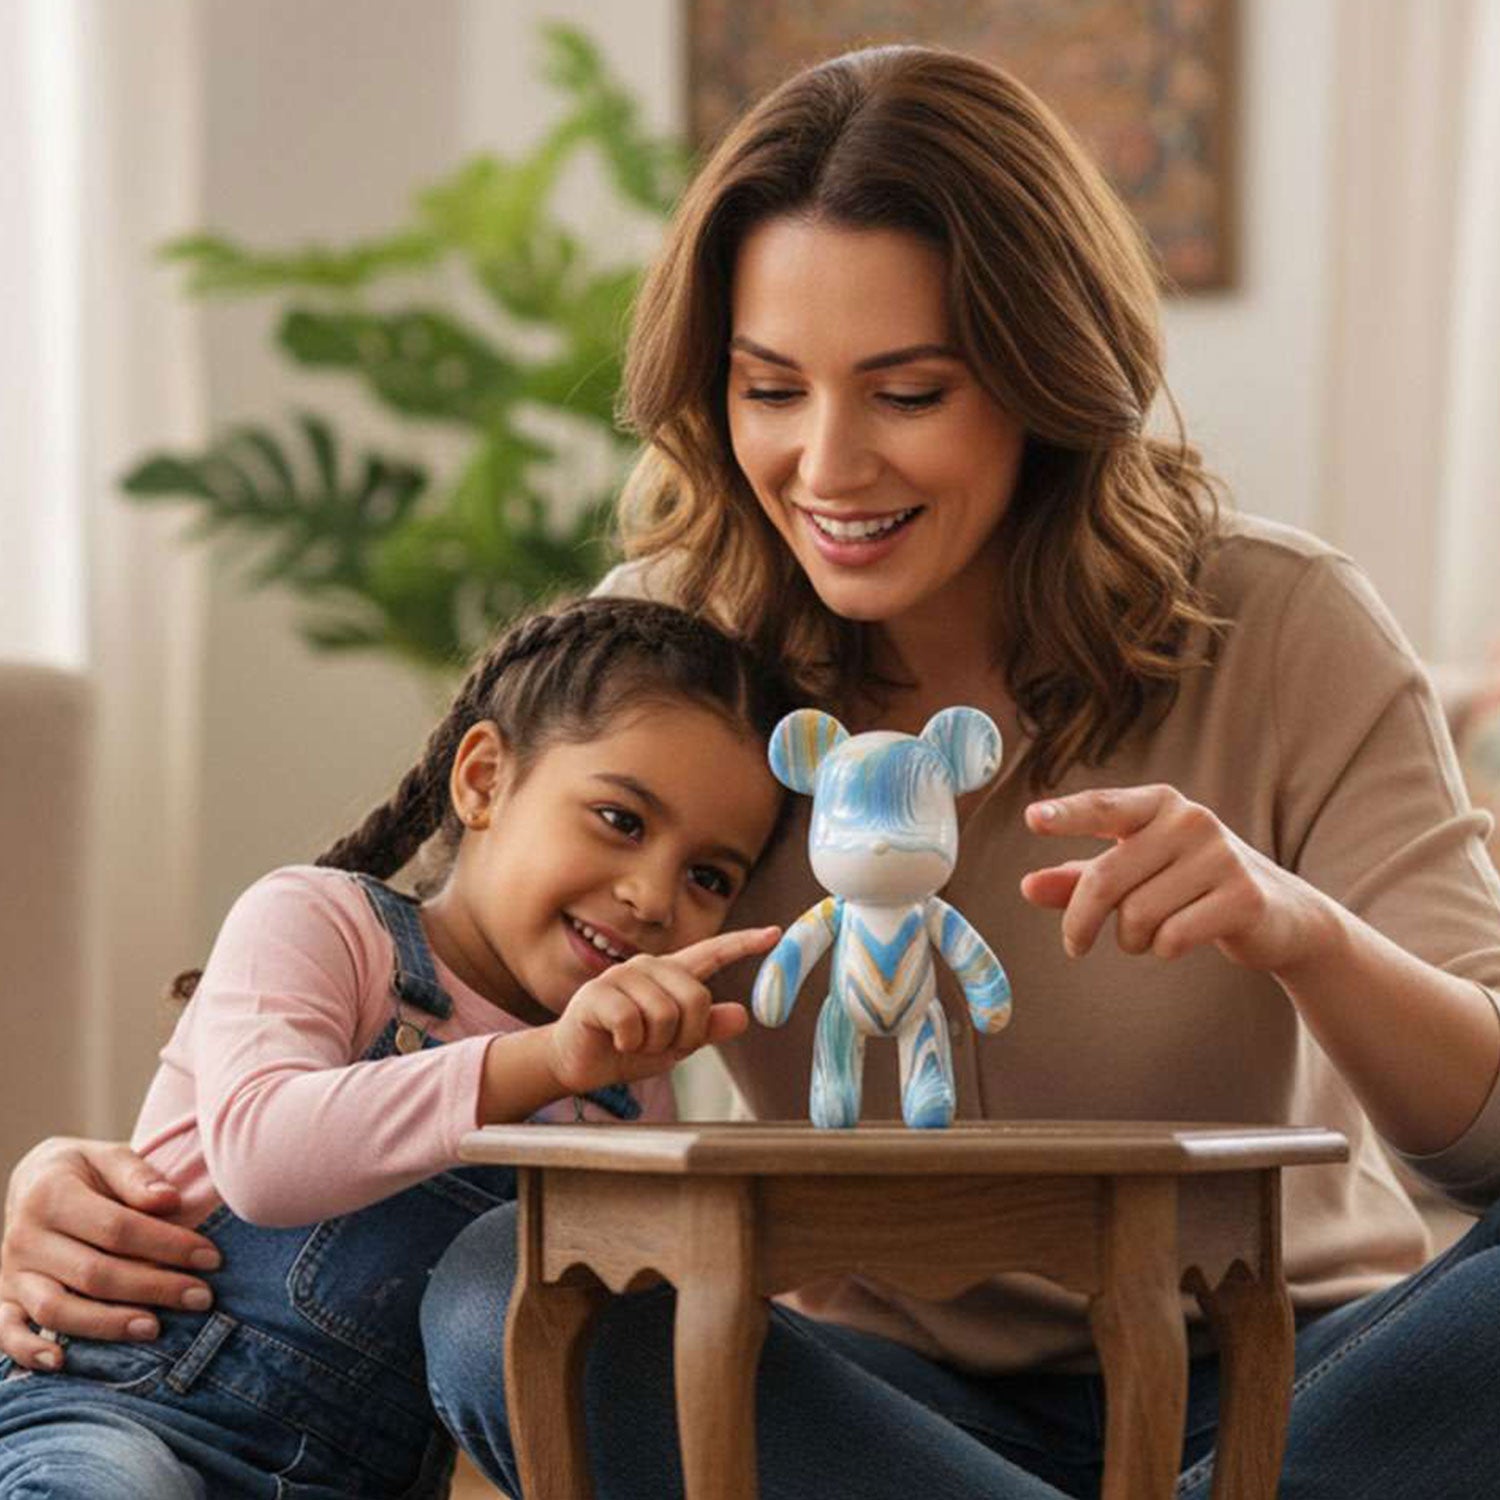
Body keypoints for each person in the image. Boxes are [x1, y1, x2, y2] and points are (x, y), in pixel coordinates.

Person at [7, 40, 1500, 1499]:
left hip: (1298, 1377)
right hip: (852, 1406)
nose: (828, 467)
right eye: (770, 388)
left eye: (908, 392)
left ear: (1050, 377)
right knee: (503, 1291)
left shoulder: (1283, 624)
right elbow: (450, 1015)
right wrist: (121, 1165)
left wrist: (1304, 932)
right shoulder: (678, 649)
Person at [0, 596, 791, 1497]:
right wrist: (546, 1063)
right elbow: (267, 1160)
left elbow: (613, 1347)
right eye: (620, 820)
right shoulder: (323, 922)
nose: (653, 897)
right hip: (125, 1413)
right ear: (485, 779)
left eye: (708, 876)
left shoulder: (624, 1086)